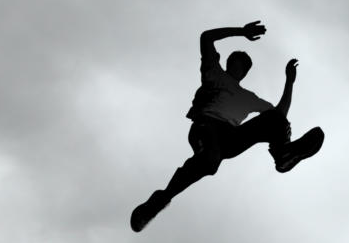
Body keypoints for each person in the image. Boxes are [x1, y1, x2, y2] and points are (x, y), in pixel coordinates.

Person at [130, 20, 324, 232]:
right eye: (235, 63)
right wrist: (241, 32)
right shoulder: (214, 73)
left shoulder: (248, 97)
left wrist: (289, 82)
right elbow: (206, 37)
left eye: (242, 66)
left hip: (232, 138)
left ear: (246, 72)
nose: (238, 68)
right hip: (207, 127)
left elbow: (279, 115)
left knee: (276, 119)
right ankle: (158, 201)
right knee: (210, 162)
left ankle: (283, 154)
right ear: (229, 63)